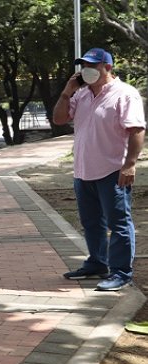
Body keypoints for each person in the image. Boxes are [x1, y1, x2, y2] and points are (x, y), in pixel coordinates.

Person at [53, 48, 145, 291]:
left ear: (108, 68)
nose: (87, 70)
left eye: (92, 65)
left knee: (119, 224)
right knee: (91, 222)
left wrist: (130, 165)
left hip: (112, 171)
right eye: (84, 65)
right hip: (83, 171)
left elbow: (136, 130)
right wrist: (65, 94)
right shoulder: (80, 95)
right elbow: (59, 119)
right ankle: (97, 263)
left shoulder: (125, 94)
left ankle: (121, 272)